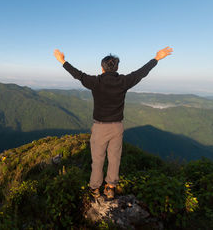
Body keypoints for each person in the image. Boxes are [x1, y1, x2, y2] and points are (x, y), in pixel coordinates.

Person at [53, 46, 173, 199]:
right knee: (114, 158)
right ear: (116, 67)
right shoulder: (123, 81)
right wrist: (156, 58)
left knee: (97, 160)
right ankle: (110, 187)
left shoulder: (95, 82)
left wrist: (62, 61)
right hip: (117, 127)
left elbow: (78, 75)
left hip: (100, 127)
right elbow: (140, 73)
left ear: (102, 68)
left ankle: (95, 189)